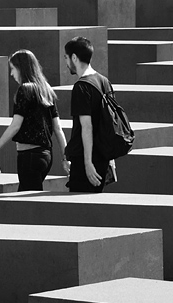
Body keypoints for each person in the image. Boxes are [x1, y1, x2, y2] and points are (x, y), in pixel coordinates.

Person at [0, 49, 68, 191]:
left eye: (13, 69)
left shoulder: (24, 90)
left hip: (29, 156)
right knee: (28, 198)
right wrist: (65, 158)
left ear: (21, 68)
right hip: (46, 156)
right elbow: (58, 129)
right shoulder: (46, 90)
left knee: (26, 205)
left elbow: (15, 126)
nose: (11, 74)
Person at [63, 36, 115, 192]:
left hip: (85, 159)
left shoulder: (81, 87)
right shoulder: (104, 81)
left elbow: (86, 127)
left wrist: (87, 163)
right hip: (102, 157)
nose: (66, 63)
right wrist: (110, 158)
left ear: (74, 57)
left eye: (66, 57)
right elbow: (110, 122)